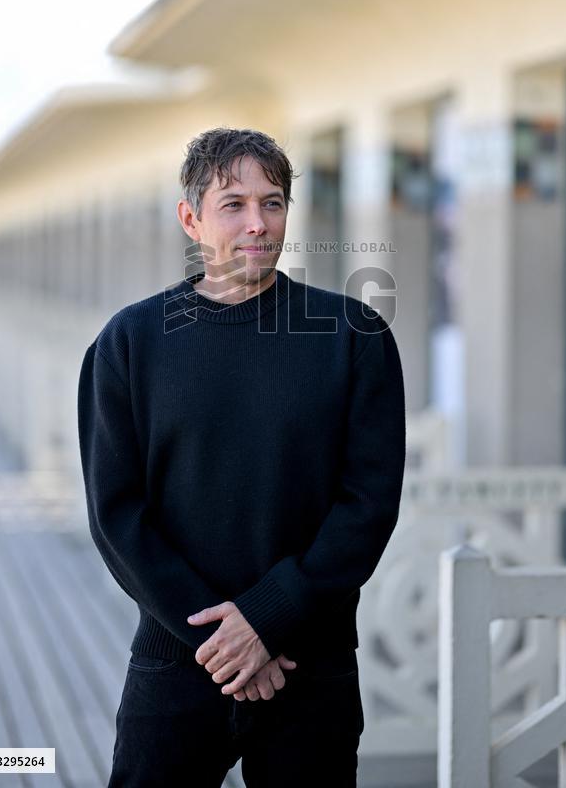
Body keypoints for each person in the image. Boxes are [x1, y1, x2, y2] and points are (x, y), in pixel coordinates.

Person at [77, 127, 406, 787]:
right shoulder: (130, 344)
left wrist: (268, 615)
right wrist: (220, 640)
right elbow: (118, 514)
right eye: (234, 203)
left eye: (274, 202)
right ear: (191, 218)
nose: (258, 223)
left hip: (311, 667)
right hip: (178, 664)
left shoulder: (352, 336)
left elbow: (366, 508)